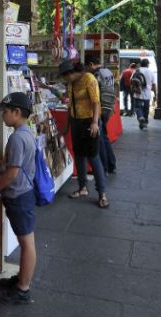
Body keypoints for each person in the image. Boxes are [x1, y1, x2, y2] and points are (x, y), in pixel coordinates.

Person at [0, 92, 36, 305]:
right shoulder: (26, 132)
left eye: (5, 112)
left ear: (17, 112)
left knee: (26, 242)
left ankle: (23, 288)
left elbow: (13, 173)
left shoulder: (16, 137)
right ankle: (21, 279)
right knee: (26, 241)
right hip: (24, 193)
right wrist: (3, 165)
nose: (2, 116)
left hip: (18, 195)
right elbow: (17, 165)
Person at [58, 59, 109, 208]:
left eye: (65, 76)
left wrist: (94, 122)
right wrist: (68, 126)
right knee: (79, 155)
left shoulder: (89, 79)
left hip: (89, 122)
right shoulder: (71, 83)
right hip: (76, 122)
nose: (64, 79)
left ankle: (102, 193)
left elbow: (96, 102)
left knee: (93, 157)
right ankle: (82, 188)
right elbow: (70, 105)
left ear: (72, 73)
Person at [85, 56, 117, 175]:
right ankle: (111, 164)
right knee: (104, 136)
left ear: (91, 64)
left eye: (88, 67)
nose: (87, 70)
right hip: (108, 106)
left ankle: (103, 167)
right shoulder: (108, 72)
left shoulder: (96, 75)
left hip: (100, 107)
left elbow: (94, 95)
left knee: (100, 139)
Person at [132, 58, 156, 130]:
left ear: (141, 64)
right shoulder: (151, 72)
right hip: (147, 94)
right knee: (146, 109)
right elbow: (154, 84)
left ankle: (140, 117)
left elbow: (131, 80)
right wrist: (155, 94)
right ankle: (145, 122)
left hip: (137, 93)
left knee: (138, 108)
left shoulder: (136, 70)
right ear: (147, 64)